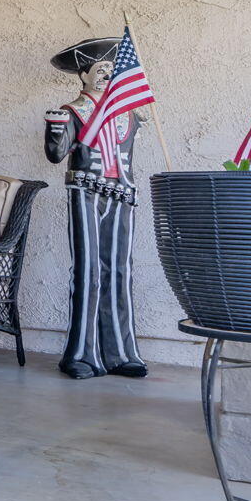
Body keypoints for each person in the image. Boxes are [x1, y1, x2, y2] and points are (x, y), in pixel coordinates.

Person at [44, 37, 149, 379]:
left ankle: (121, 352)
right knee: (88, 271)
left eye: (110, 69)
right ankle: (82, 355)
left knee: (121, 271)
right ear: (83, 75)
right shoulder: (73, 110)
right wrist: (56, 127)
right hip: (86, 191)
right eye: (99, 69)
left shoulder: (129, 113)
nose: (106, 74)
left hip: (122, 193)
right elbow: (57, 155)